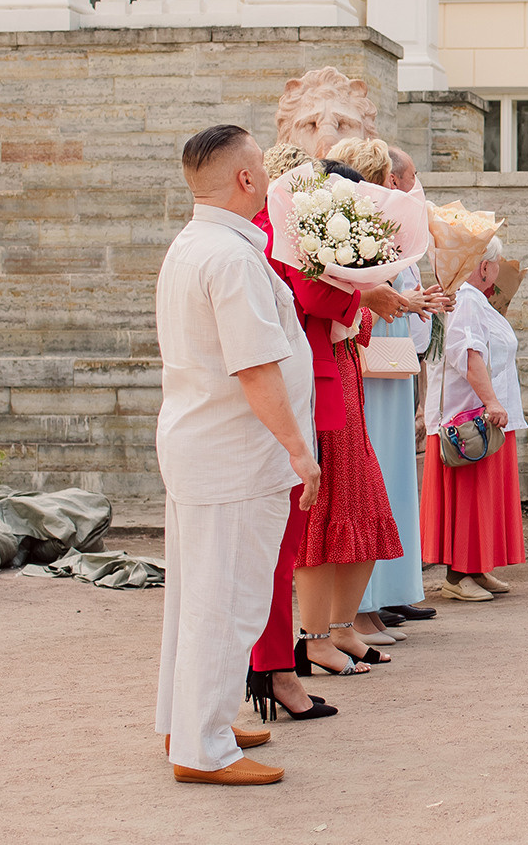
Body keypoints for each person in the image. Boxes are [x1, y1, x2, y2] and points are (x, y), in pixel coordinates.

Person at [153, 124, 320, 786]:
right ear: (246, 180)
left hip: (205, 442)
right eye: (262, 167)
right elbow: (256, 368)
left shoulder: (197, 243)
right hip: (234, 451)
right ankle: (204, 745)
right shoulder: (230, 257)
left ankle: (189, 717)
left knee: (198, 595)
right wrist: (299, 451)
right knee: (227, 599)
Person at [273, 157, 421, 677]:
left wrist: (371, 292)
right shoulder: (290, 238)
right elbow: (308, 297)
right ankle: (315, 638)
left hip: (345, 375)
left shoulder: (325, 244)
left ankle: (340, 628)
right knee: (328, 508)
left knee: (363, 502)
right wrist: (363, 292)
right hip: (320, 381)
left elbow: (350, 319)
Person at [323, 139, 444, 648]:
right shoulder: (356, 228)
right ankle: (358, 609)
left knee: (392, 476)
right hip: (367, 352)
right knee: (371, 478)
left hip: (387, 348)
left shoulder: (386, 227)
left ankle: (383, 596)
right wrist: (404, 300)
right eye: (400, 177)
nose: (406, 187)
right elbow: (351, 296)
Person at [244, 142, 338, 724]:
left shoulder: (268, 232)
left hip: (288, 405)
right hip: (272, 418)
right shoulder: (268, 235)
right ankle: (273, 669)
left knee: (283, 550)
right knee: (278, 552)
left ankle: (271, 665)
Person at [423, 237, 528, 600]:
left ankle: (476, 567)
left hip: (483, 412)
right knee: (472, 491)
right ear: (485, 267)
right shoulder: (467, 298)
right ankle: (459, 574)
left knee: (483, 492)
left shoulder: (473, 299)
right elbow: (469, 354)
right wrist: (492, 402)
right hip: (473, 415)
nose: (499, 269)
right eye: (497, 262)